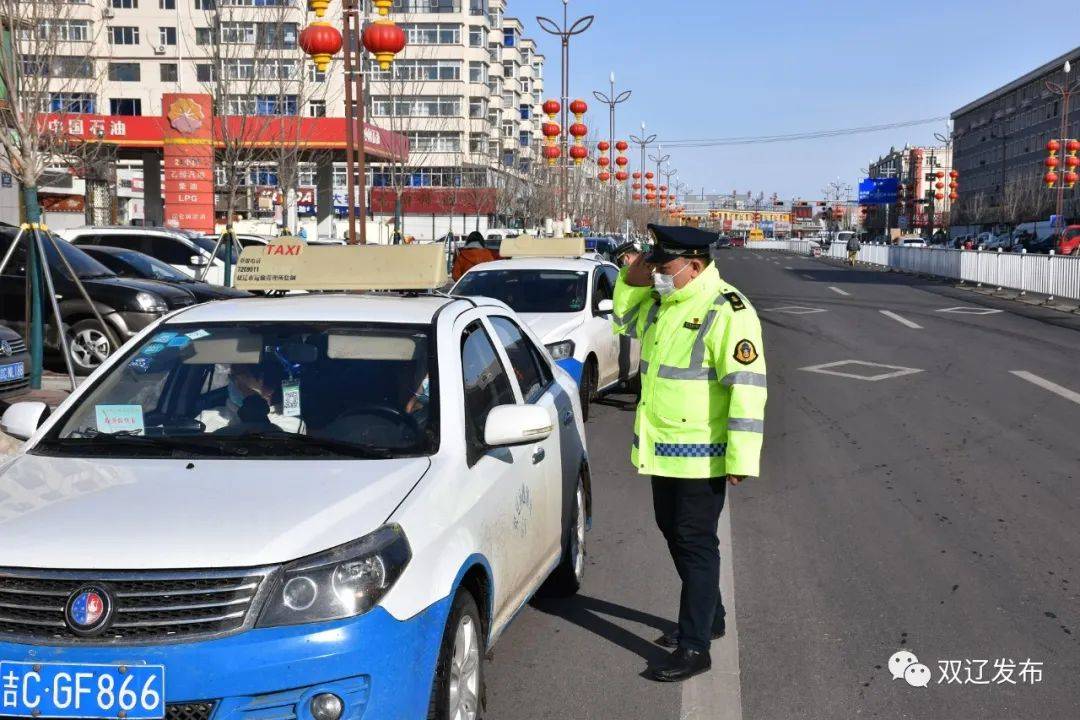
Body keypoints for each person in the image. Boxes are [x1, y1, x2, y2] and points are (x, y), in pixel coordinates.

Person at [612, 224, 767, 683]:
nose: (658, 273)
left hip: (702, 453)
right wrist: (634, 272)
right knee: (673, 533)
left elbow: (747, 389)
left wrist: (741, 457)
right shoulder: (665, 305)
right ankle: (710, 614)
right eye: (656, 265)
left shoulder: (728, 310)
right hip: (663, 450)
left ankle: (695, 644)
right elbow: (622, 318)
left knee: (696, 543)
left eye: (666, 265)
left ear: (694, 266)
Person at [199, 364, 302, 434]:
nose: (233, 380)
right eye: (231, 376)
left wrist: (253, 402)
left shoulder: (292, 424)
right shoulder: (205, 418)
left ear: (269, 387)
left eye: (242, 376)